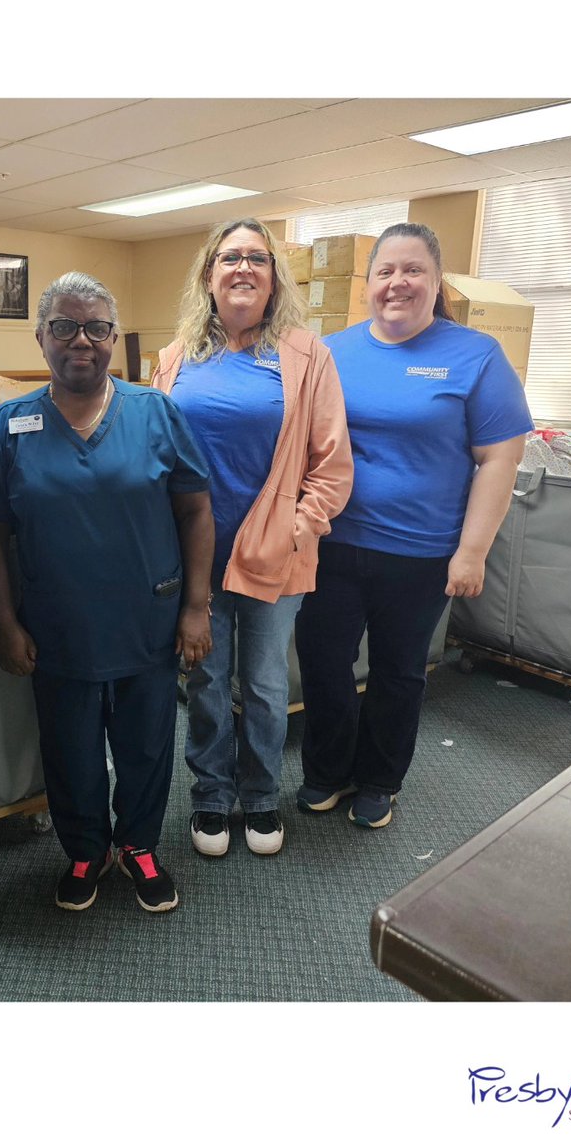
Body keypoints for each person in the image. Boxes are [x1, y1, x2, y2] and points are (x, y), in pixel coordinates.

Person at [0, 272, 213, 913]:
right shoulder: (9, 425)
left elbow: (195, 512)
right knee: (71, 749)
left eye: (97, 328)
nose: (82, 340)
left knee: (145, 743)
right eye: (64, 327)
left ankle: (138, 845)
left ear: (113, 337)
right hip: (58, 627)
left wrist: (195, 608)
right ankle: (85, 850)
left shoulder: (155, 413)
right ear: (42, 337)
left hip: (147, 618)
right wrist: (7, 623)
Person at [295, 222, 534, 829]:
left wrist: (472, 552)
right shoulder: (333, 352)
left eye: (413, 270)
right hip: (332, 544)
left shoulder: (475, 355)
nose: (397, 283)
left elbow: (499, 458)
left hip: (422, 553)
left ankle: (379, 779)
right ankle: (326, 771)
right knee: (324, 664)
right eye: (385, 271)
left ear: (435, 281)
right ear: (369, 283)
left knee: (398, 672)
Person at [152, 219, 353, 857]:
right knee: (206, 683)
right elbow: (158, 451)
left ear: (273, 277)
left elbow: (332, 465)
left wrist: (296, 530)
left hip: (275, 558)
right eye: (229, 257)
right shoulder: (177, 356)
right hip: (196, 559)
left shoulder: (304, 354)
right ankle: (211, 797)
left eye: (257, 259)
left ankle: (261, 795)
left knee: (266, 686)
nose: (243, 268)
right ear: (209, 276)